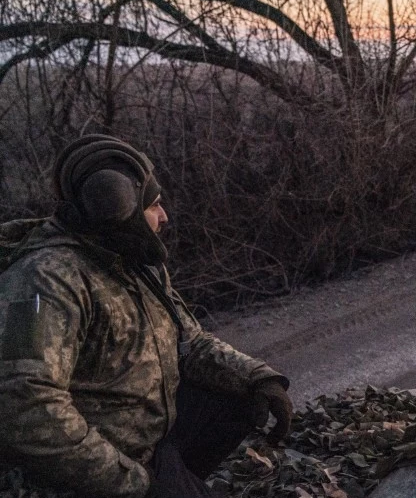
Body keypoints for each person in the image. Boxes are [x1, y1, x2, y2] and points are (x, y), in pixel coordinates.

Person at [0, 135, 295, 497]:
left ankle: (177, 477)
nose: (164, 216)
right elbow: (26, 406)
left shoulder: (132, 260)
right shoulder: (48, 278)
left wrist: (258, 378)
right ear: (117, 208)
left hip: (148, 446)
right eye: (154, 205)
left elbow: (190, 341)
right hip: (86, 475)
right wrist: (136, 484)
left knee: (237, 396)